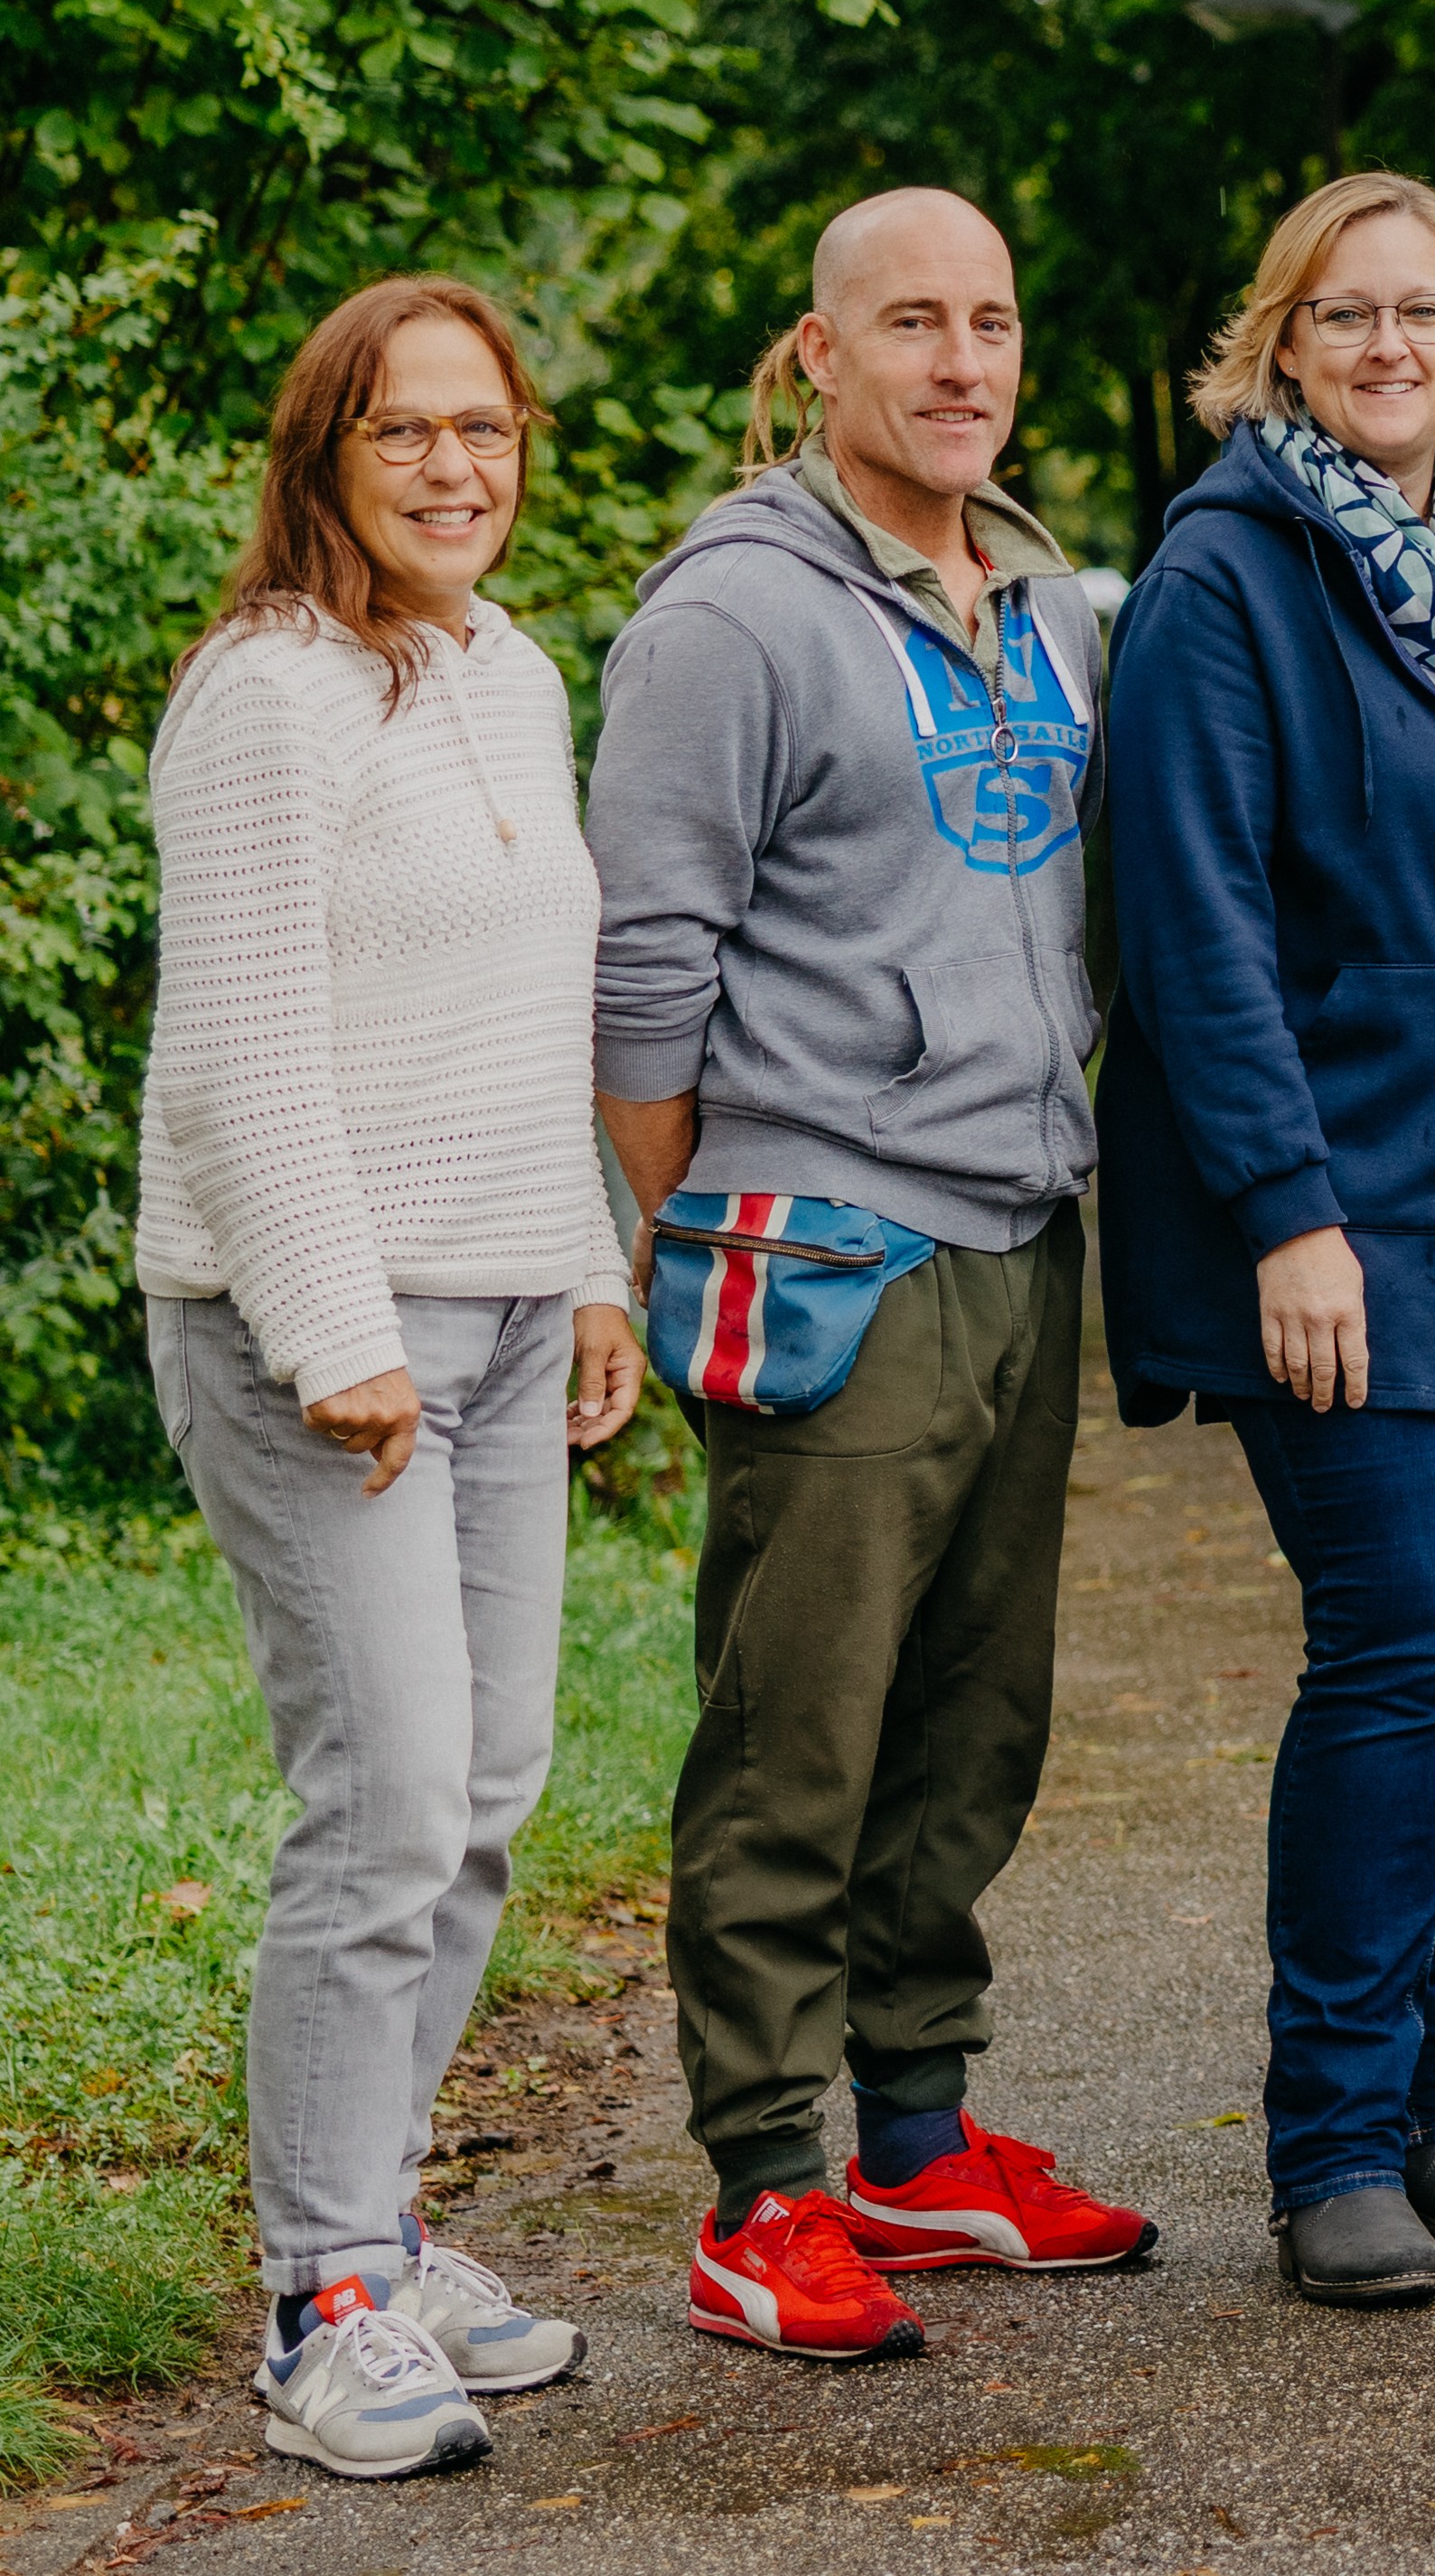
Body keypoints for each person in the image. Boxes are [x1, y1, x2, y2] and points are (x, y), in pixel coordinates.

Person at [595, 191, 1154, 2359]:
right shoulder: (732, 614)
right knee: (797, 1735)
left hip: (1018, 1222)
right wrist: (710, 1217)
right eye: (912, 321)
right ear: (820, 355)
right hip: (830, 1237)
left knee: (970, 1720)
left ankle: (917, 2140)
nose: (960, 360)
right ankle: (762, 2184)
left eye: (990, 320)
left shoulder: (1040, 592)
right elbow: (647, 970)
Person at [141, 281, 643, 2478]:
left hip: (511, 1311)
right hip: (318, 1331)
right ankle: (318, 2294)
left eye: (486, 427)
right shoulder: (268, 693)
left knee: (489, 1785)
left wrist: (590, 1268)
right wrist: (333, 1329)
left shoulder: (512, 669)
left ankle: (382, 2222)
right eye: (403, 431)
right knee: (386, 1801)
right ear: (322, 457)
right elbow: (233, 1052)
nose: (455, 466)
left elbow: (533, 1018)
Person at [1098, 172, 1435, 2309]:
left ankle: (1424, 2103)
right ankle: (1329, 2140)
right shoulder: (1225, 574)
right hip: (1346, 1206)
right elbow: (1189, 918)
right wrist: (1287, 1210)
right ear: (1283, 343)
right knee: (1395, 1637)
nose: (1389, 344)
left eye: (1424, 309)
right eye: (1345, 313)